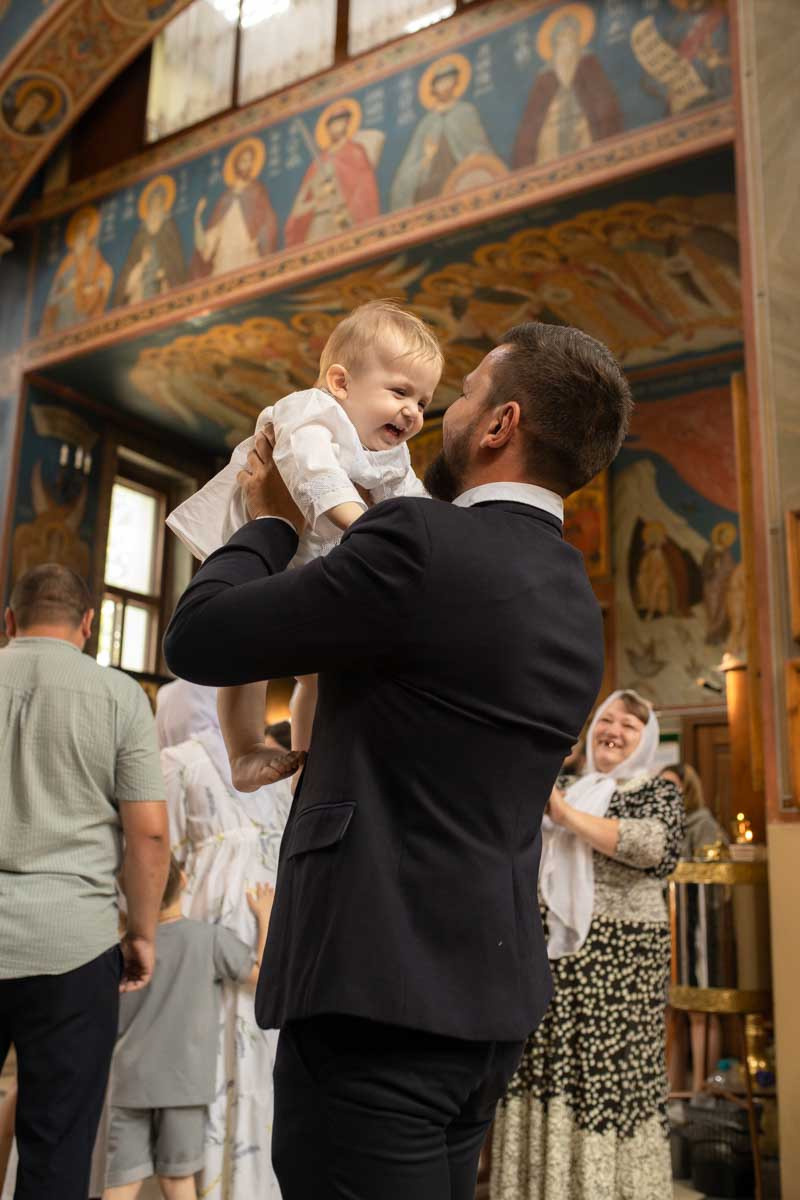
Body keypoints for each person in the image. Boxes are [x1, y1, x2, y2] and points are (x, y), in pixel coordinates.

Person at [163, 320, 633, 1199]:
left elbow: (200, 637)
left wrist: (267, 524)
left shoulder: (420, 542)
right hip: (487, 1004)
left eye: (463, 395)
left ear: (500, 426)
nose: (439, 411)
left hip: (373, 994)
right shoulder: (578, 600)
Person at [167, 299, 442, 781]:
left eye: (422, 402)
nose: (413, 412)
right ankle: (245, 748)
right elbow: (308, 467)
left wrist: (434, 543)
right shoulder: (311, 411)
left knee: (322, 673)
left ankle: (308, 768)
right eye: (400, 391)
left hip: (315, 559)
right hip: (262, 545)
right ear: (341, 383)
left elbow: (412, 506)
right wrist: (364, 524)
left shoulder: (392, 456)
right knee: (246, 656)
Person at [0, 564, 169, 1200]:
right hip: (73, 944)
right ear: (89, 625)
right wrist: (144, 934)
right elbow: (148, 834)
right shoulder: (121, 696)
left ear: (9, 622)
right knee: (57, 1149)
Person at [491, 690, 685, 1200]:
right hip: (550, 960)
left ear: (646, 741)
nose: (614, 730)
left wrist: (561, 814)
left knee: (608, 1080)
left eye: (631, 726)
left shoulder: (654, 792)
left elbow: (650, 846)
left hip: (619, 966)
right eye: (608, 720)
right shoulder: (566, 789)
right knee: (545, 1067)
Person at [155, 679, 291, 1200]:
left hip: (210, 923)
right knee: (252, 1060)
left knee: (215, 1060)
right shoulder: (267, 765)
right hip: (266, 919)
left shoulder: (176, 763)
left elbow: (162, 856)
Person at [102, 857, 274, 1200]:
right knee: (177, 1182)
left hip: (127, 1083)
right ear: (183, 878)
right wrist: (267, 915)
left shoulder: (121, 948)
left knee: (119, 1185)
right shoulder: (207, 939)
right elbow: (262, 976)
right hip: (183, 1086)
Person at [660, 761, 727, 1095]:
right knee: (673, 1009)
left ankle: (703, 1086)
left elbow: (715, 881)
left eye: (674, 787)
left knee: (702, 1007)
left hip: (699, 926)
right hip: (669, 928)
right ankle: (674, 1087)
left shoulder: (702, 824)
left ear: (688, 790)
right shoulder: (662, 825)